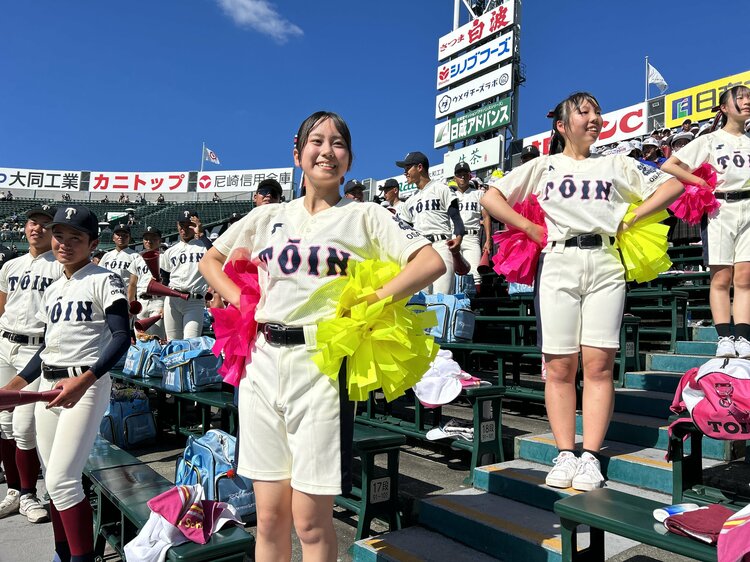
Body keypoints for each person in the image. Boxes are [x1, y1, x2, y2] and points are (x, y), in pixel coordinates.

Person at [199, 110, 444, 562]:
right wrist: (240, 300)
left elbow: (430, 262)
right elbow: (210, 261)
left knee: (310, 521)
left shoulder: (367, 215)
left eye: (338, 143)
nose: (326, 151)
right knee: (268, 517)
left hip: (322, 365)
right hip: (261, 362)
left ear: (348, 161)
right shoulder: (268, 216)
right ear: (297, 154)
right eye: (317, 141)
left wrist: (375, 297)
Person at [481, 92, 683, 491]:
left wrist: (635, 214)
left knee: (599, 364)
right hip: (557, 262)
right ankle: (564, 452)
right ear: (561, 124)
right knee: (559, 366)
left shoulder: (616, 163)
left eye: (597, 113)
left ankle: (590, 455)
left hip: (606, 262)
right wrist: (527, 227)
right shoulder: (543, 165)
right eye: (584, 112)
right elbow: (490, 195)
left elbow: (673, 184)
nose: (594, 119)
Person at [1, 205, 130, 562]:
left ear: (93, 243)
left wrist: (85, 380)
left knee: (62, 481)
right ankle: (62, 553)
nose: (65, 243)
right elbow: (45, 347)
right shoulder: (55, 286)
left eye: (76, 237)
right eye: (59, 235)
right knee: (53, 481)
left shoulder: (104, 278)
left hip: (85, 385)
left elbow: (122, 338)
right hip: (49, 383)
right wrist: (18, 383)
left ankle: (81, 558)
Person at [662, 85, 750, 358]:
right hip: (720, 208)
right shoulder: (710, 140)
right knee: (722, 276)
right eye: (741, 98)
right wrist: (697, 180)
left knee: (746, 277)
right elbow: (670, 165)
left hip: (748, 205)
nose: (747, 101)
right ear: (724, 107)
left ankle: (744, 338)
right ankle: (725, 336)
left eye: (749, 97)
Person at [0, 204, 63, 524]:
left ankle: (28, 494)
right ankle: (14, 491)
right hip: (5, 344)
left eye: (44, 224)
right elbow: (1, 307)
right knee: (4, 424)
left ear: (54, 231)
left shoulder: (58, 268)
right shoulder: (10, 265)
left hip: (35, 350)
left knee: (24, 428)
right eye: (31, 222)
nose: (36, 228)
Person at [395, 151, 465, 294]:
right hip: (421, 249)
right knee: (421, 300)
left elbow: (456, 218)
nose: (405, 173)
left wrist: (458, 237)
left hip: (441, 245)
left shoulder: (441, 189)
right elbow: (403, 230)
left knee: (442, 297)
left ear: (419, 167)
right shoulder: (409, 201)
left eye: (407, 168)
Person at [160, 209, 211, 340]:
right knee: (173, 343)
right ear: (177, 225)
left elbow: (217, 257)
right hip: (172, 300)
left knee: (191, 342)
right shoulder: (170, 251)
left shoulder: (204, 247)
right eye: (181, 225)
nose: (184, 229)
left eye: (189, 225)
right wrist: (162, 304)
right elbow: (165, 280)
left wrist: (202, 234)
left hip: (194, 300)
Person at [452, 162, 491, 293]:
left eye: (465, 174)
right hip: (453, 236)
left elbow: (486, 217)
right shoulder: (450, 195)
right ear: (454, 178)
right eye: (459, 175)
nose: (462, 177)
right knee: (453, 275)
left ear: (470, 176)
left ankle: (473, 307)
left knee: (475, 274)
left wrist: (488, 240)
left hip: (471, 236)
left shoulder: (478, 194)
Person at [127, 226, 166, 340]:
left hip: (158, 301)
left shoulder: (164, 258)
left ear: (159, 240)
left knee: (157, 339)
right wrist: (130, 304)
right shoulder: (137, 260)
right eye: (146, 238)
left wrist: (166, 305)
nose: (149, 241)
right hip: (141, 303)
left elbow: (170, 284)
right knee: (141, 340)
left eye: (153, 238)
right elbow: (133, 284)